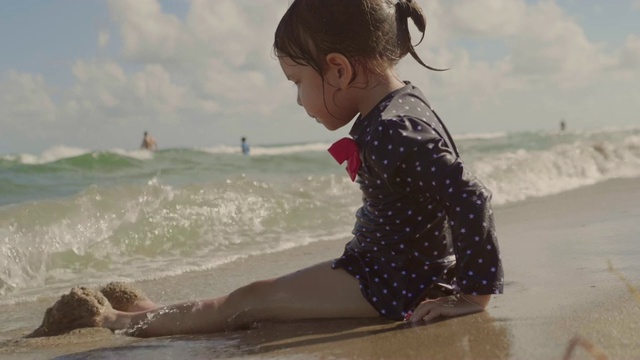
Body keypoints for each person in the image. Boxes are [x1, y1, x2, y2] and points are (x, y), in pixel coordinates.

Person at [43, 0, 503, 338]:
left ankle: (124, 322)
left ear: (338, 70)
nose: (298, 99)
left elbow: (470, 195)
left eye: (298, 82)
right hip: (388, 270)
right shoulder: (401, 107)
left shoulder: (393, 127)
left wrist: (472, 296)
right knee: (255, 298)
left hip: (392, 286)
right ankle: (155, 314)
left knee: (251, 302)